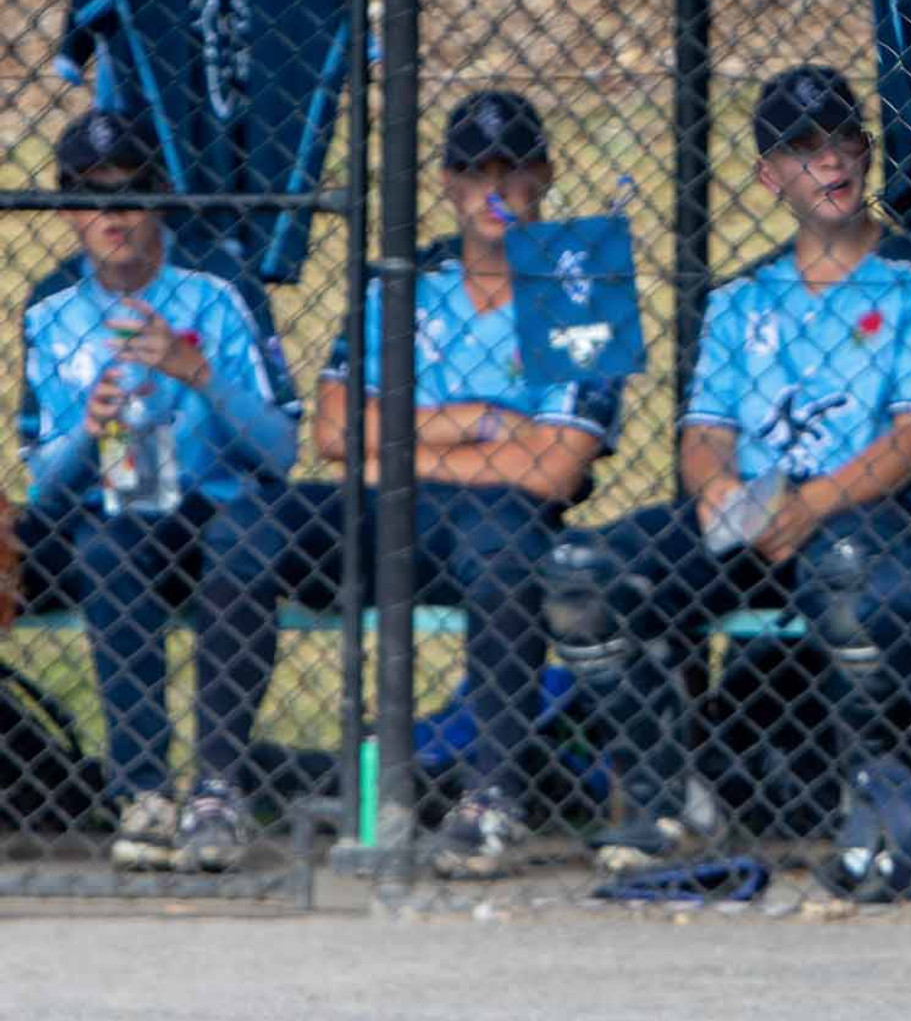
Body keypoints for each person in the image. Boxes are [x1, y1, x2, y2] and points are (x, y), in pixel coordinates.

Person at [543, 66, 911, 869]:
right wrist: (722, 492)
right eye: (803, 150)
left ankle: (869, 805)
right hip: (751, 517)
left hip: (862, 517)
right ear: (770, 175)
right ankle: (673, 806)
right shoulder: (739, 298)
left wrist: (815, 502)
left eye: (842, 143)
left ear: (868, 154)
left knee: (851, 585)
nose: (829, 164)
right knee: (581, 578)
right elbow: (703, 432)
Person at [223, 91, 626, 879]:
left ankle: (492, 799)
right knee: (249, 526)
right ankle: (213, 786)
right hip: (383, 512)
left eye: (513, 170)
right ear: (445, 180)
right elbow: (336, 433)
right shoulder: (401, 278)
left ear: (543, 175)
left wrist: (394, 442)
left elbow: (554, 469)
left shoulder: (580, 283)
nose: (494, 191)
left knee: (507, 554)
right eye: (475, 171)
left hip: (495, 516)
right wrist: (479, 420)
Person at [11, 111, 300, 871]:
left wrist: (197, 373)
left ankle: (215, 789)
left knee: (247, 542)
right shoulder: (51, 309)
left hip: (219, 499)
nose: (113, 215)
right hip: (120, 503)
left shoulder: (218, 287)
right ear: (66, 210)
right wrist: (88, 426)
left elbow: (282, 451)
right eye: (89, 196)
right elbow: (45, 483)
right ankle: (143, 790)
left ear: (161, 198)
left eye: (131, 192)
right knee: (105, 547)